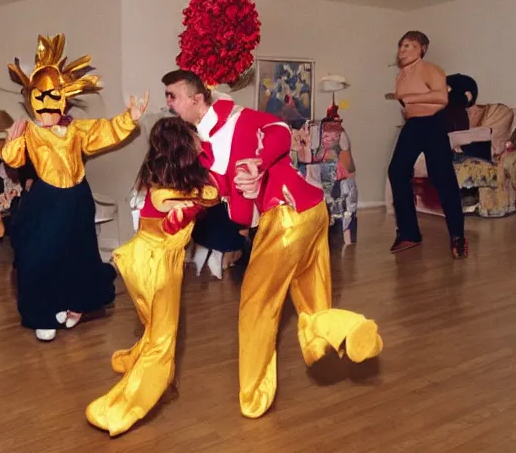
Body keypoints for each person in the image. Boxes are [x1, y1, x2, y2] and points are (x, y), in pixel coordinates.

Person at [163, 68, 383, 419]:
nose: (169, 104)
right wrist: (184, 206)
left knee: (256, 305)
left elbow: (280, 130)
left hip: (287, 214)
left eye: (172, 96)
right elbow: (219, 189)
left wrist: (258, 164)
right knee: (311, 299)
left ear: (196, 98)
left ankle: (255, 395)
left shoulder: (234, 116)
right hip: (311, 211)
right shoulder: (205, 143)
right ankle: (347, 332)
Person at [0, 33, 146, 341]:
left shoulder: (75, 129)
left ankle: (75, 306)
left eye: (52, 94)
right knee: (39, 255)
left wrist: (129, 119)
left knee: (78, 255)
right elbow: (13, 160)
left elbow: (104, 131)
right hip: (46, 200)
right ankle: (42, 313)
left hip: (77, 198)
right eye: (39, 95)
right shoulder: (30, 131)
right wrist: (11, 143)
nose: (46, 102)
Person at [86, 116, 220, 436]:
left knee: (156, 326)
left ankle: (138, 365)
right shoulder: (166, 193)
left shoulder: (170, 182)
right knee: (163, 339)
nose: (201, 141)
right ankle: (124, 407)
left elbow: (211, 193)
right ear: (183, 146)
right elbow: (209, 194)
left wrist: (200, 195)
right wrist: (197, 198)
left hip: (150, 262)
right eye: (195, 136)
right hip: (154, 266)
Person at [385, 31, 467, 258]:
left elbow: (442, 98)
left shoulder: (431, 69)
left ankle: (458, 237)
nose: (402, 50)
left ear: (422, 48)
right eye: (401, 45)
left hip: (433, 124)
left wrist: (412, 99)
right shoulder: (401, 76)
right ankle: (409, 234)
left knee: (442, 177)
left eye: (409, 46)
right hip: (413, 126)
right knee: (397, 172)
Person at [161, 71, 246, 279]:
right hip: (202, 184)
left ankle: (225, 252)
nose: (171, 103)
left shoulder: (224, 122)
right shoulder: (185, 132)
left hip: (219, 189)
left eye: (174, 96)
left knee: (220, 213)